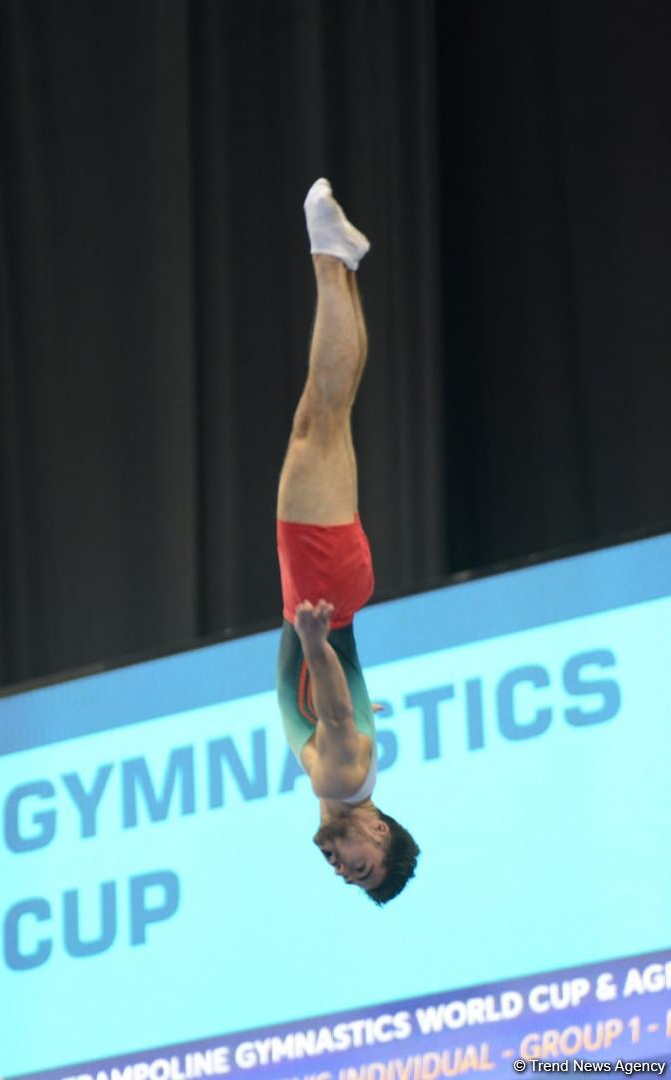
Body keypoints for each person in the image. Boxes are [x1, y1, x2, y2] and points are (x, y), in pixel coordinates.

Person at [275, 179, 420, 904]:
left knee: (329, 414)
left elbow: (347, 715)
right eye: (359, 865)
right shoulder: (338, 779)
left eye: (344, 875)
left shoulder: (353, 777)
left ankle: (343, 259)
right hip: (322, 598)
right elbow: (331, 713)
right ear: (381, 834)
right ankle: (328, 254)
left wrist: (340, 672)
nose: (341, 865)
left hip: (340, 597)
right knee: (318, 416)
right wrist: (312, 647)